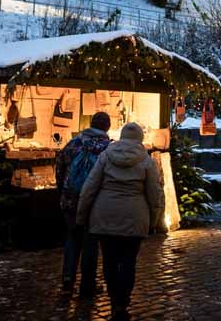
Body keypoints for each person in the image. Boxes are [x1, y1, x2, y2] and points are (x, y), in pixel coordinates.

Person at [77, 122, 164, 320]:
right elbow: (155, 194)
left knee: (108, 260)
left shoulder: (105, 156)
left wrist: (82, 216)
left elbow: (89, 188)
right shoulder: (146, 160)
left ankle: (113, 298)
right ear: (140, 139)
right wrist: (154, 220)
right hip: (134, 218)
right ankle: (122, 302)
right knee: (128, 262)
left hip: (104, 216)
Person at [54, 111, 112, 296]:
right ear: (107, 127)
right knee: (91, 242)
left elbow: (60, 168)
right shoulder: (107, 148)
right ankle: (87, 284)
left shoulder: (74, 143)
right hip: (94, 202)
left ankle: (67, 280)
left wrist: (62, 191)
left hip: (71, 200)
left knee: (72, 238)